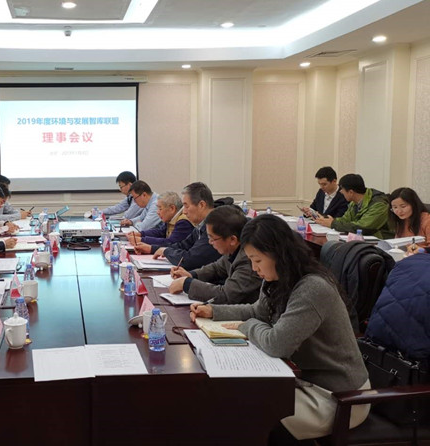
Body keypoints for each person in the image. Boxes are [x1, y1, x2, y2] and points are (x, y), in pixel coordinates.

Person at [190, 215, 370, 442]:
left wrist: (247, 326)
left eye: (257, 260)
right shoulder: (277, 277)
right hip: (299, 380)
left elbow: (277, 343)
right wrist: (214, 311)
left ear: (278, 254)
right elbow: (258, 311)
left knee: (242, 410)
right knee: (230, 398)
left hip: (337, 396)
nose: (254, 268)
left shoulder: (313, 287)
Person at [168, 205, 260, 304]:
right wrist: (191, 275)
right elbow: (217, 268)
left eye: (213, 238)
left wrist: (187, 284)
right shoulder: (232, 248)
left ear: (232, 239)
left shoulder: (248, 259)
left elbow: (226, 295)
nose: (210, 242)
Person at [152, 182, 221, 270]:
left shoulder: (216, 225)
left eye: (186, 206)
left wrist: (166, 251)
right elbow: (183, 245)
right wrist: (154, 249)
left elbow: (191, 260)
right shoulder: (201, 224)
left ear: (201, 205)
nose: (184, 212)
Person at [315, 173, 391, 239]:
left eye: (342, 189)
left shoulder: (379, 205)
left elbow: (362, 227)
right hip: (360, 239)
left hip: (380, 242)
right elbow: (346, 220)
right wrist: (327, 220)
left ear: (351, 192)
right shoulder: (354, 202)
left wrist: (333, 224)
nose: (341, 192)